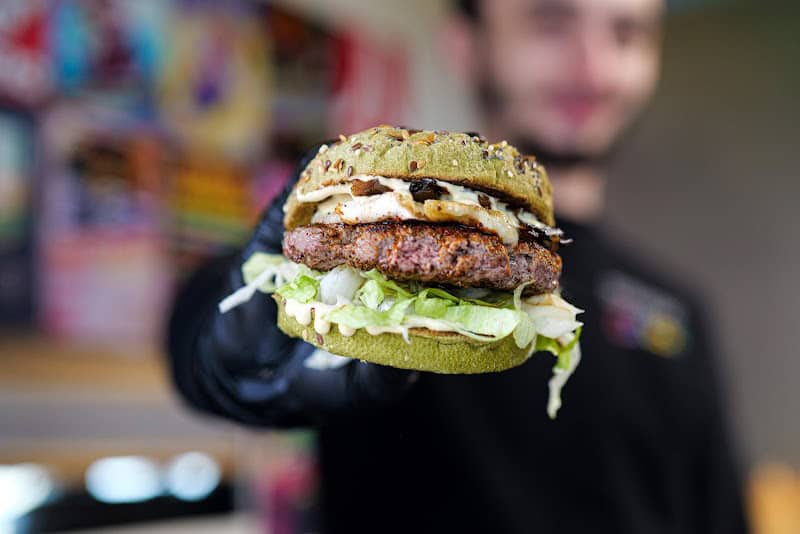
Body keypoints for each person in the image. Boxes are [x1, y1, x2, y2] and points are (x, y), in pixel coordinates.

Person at [167, 0, 749, 532]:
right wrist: (230, 357)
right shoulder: (356, 251)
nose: (591, 67)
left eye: (626, 34)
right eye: (551, 22)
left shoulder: (678, 311)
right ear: (466, 44)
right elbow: (195, 334)